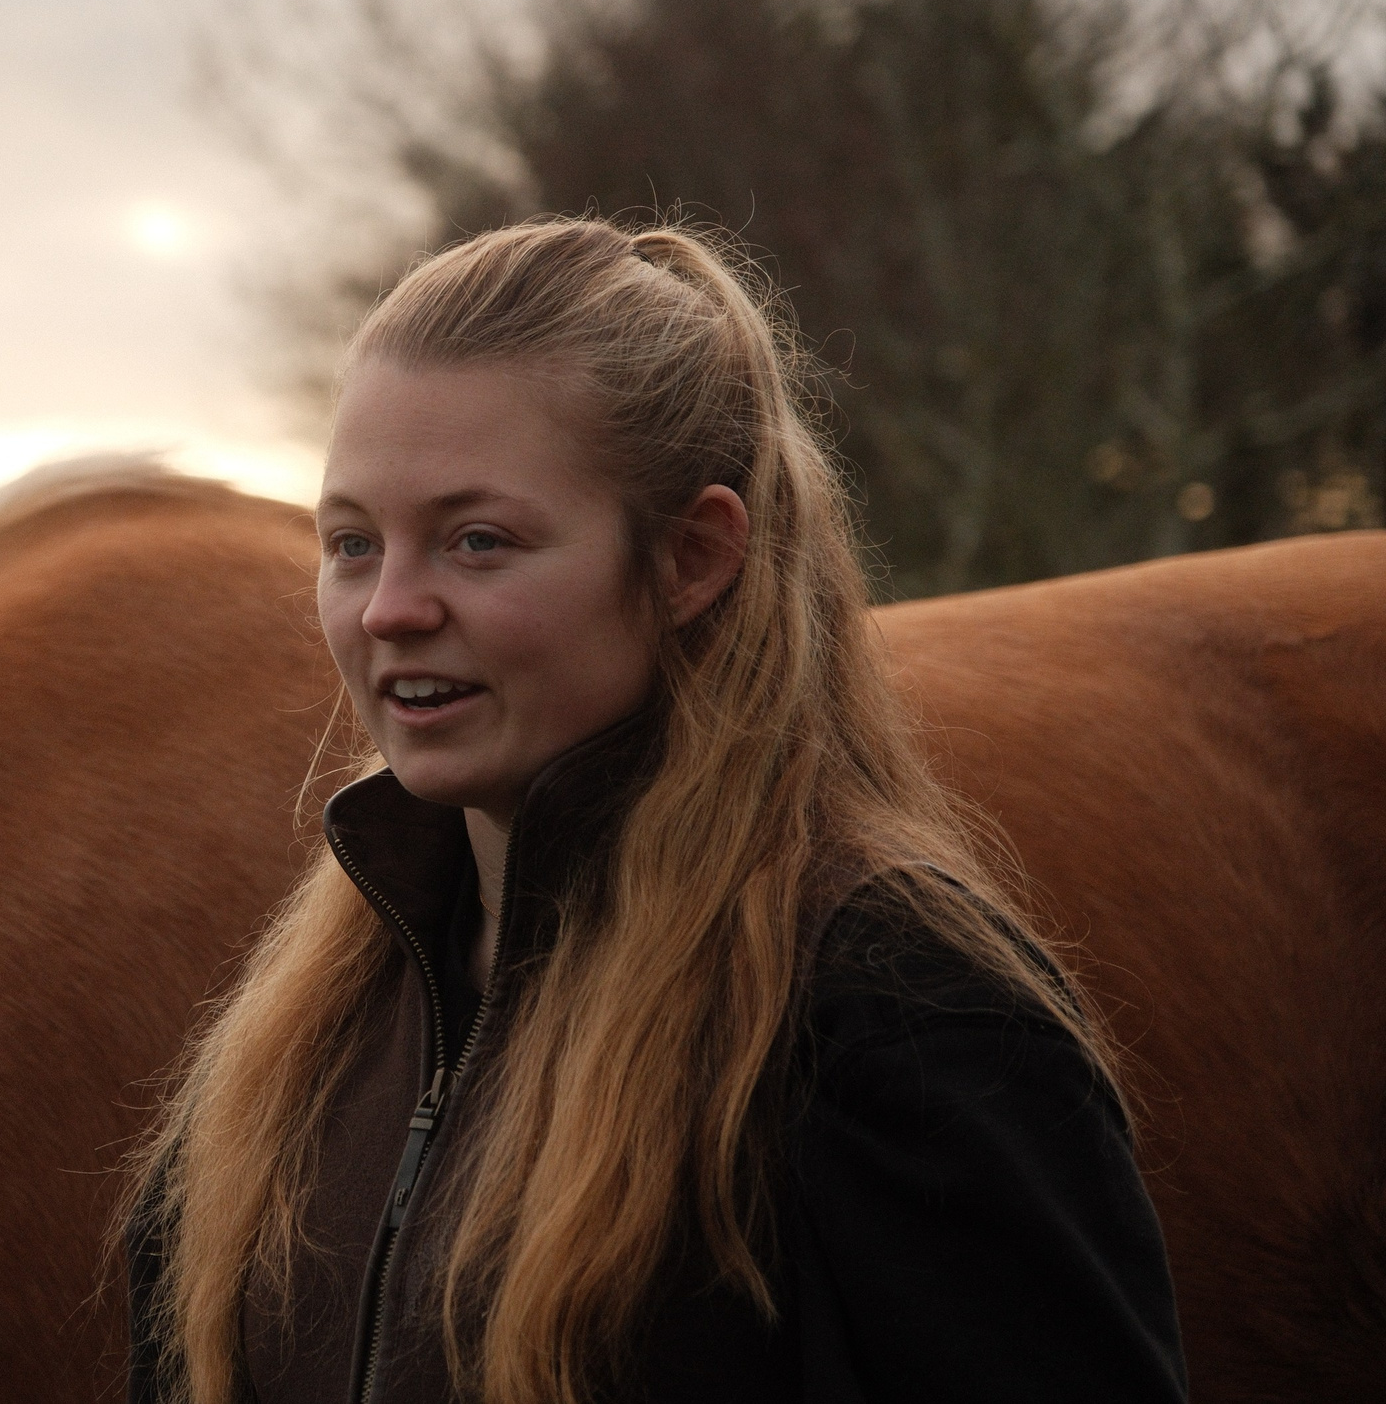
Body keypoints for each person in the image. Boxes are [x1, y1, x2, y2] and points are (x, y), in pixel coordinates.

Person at [124, 218, 1186, 1404]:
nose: (388, 610)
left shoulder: (891, 1019)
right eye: (352, 544)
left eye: (478, 541)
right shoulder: (300, 1044)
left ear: (691, 558)